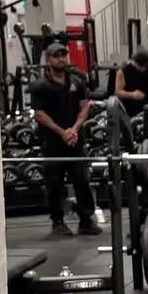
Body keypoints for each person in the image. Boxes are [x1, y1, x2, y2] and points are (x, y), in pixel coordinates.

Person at [29, 42, 100, 237]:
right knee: (54, 184)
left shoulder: (77, 82)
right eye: (56, 56)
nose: (61, 59)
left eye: (63, 55)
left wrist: (74, 130)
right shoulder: (40, 86)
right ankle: (58, 222)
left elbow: (85, 107)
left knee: (82, 180)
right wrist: (62, 133)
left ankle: (86, 221)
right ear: (48, 60)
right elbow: (40, 115)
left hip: (75, 140)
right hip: (53, 142)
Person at [114, 47, 148, 113]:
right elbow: (118, 92)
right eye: (142, 67)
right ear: (135, 63)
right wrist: (132, 94)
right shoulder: (123, 72)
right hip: (128, 109)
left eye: (145, 67)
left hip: (146, 108)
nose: (144, 69)